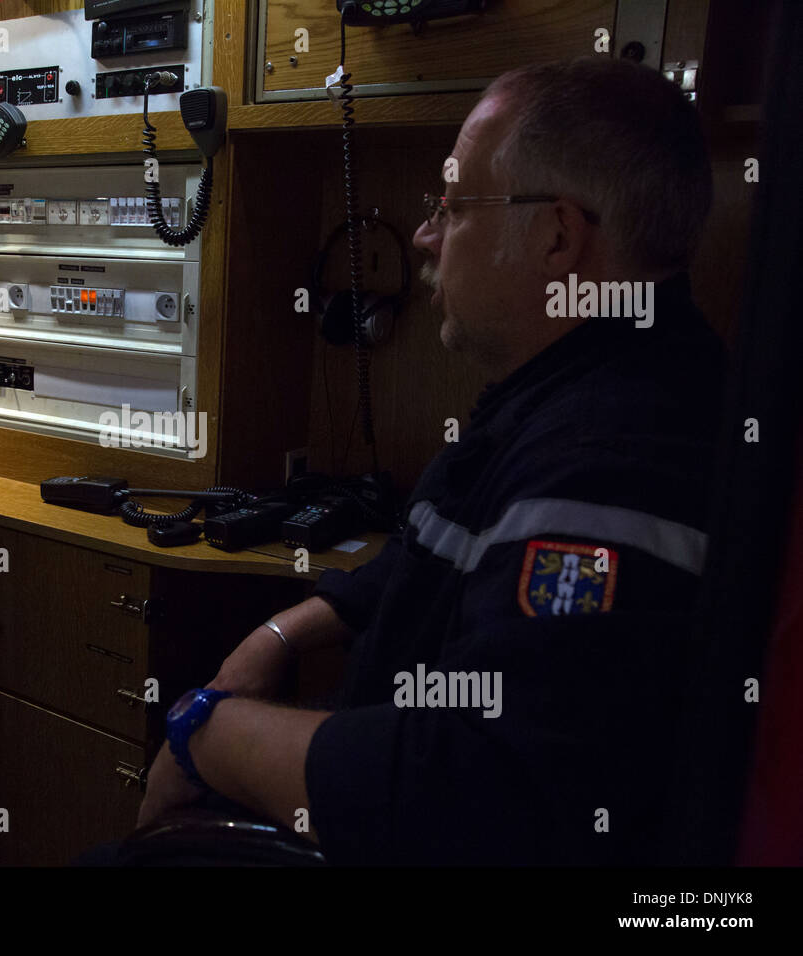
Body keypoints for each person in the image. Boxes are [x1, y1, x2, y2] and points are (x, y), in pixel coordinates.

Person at [136, 57, 726, 864]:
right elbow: (428, 550)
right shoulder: (565, 391)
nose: (424, 234)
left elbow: (475, 788)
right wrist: (283, 631)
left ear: (557, 235)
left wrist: (210, 732)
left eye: (453, 206)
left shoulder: (614, 457)